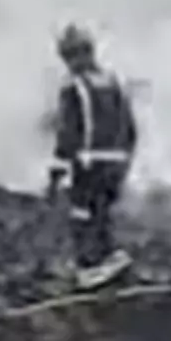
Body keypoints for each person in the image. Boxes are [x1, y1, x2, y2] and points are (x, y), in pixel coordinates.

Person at [47, 24, 139, 289]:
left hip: (89, 161)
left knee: (81, 213)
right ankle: (107, 258)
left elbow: (68, 133)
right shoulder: (112, 83)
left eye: (69, 55)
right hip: (117, 160)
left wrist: (57, 172)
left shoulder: (74, 86)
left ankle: (89, 266)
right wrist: (126, 159)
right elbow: (130, 127)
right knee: (102, 212)